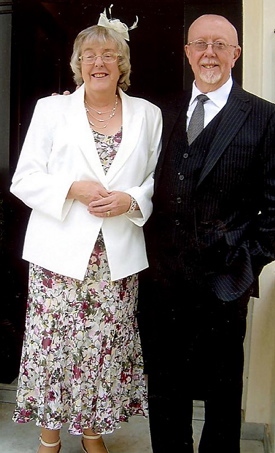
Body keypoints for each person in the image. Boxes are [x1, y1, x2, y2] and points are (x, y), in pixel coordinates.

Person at [10, 6, 162, 453]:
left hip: (117, 255)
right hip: (59, 252)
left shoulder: (148, 114)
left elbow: (156, 177)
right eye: (90, 55)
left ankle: (92, 432)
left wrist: (132, 199)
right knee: (54, 347)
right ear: (78, 64)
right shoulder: (52, 109)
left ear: (122, 64)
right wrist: (72, 188)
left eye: (109, 55)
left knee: (104, 349)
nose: (99, 62)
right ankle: (50, 437)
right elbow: (25, 178)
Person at [137, 13, 275, 453]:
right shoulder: (161, 112)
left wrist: (246, 262)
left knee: (221, 391)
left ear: (236, 54)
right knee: (164, 386)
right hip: (161, 279)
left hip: (224, 278)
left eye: (220, 45)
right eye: (200, 44)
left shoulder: (264, 117)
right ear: (187, 53)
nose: (209, 53)